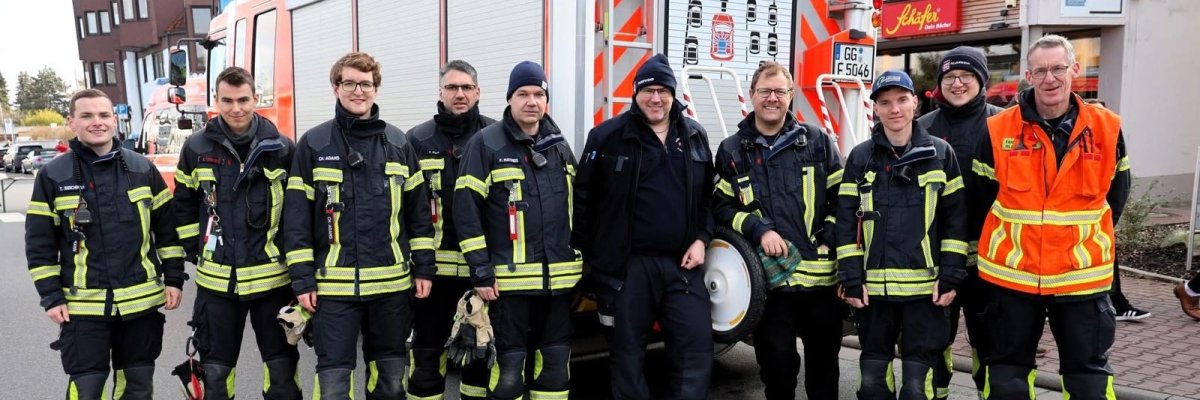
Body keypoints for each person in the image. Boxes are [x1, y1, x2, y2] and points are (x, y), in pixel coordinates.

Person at [972, 34, 1130, 399]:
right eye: (1040, 70)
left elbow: (1117, 196)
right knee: (1007, 376)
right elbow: (982, 199)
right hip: (1013, 276)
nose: (1050, 78)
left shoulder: (1107, 128)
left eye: (1058, 68)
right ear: (1028, 74)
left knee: (1088, 379)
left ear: (1074, 69)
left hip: (1081, 278)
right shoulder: (997, 130)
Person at [283, 52, 435, 399]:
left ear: (376, 90)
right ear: (336, 88)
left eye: (366, 84)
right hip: (333, 293)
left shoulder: (399, 144)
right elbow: (296, 222)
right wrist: (303, 279)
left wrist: (424, 269)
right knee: (334, 384)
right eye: (349, 83)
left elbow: (418, 217)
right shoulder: (314, 144)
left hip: (392, 290)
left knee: (390, 381)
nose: (358, 91)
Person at [25, 88, 186, 399]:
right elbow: (39, 245)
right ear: (72, 122)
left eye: (103, 115)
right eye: (86, 116)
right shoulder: (53, 175)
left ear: (115, 120)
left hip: (141, 306)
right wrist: (51, 296)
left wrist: (175, 278)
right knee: (87, 389)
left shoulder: (142, 169)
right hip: (82, 309)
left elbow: (167, 232)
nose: (96, 122)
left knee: (137, 388)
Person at [574, 53, 716, 400]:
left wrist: (701, 238)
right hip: (627, 267)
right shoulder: (608, 137)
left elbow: (707, 201)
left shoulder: (694, 136)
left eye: (663, 90)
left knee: (695, 348)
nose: (656, 98)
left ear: (673, 94)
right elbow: (582, 200)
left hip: (680, 264)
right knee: (627, 355)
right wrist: (589, 261)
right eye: (648, 90)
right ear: (635, 95)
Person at [711, 60, 844, 400]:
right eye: (765, 91)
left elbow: (843, 200)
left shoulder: (817, 142)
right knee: (777, 371)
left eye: (780, 92)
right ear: (752, 95)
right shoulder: (731, 150)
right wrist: (759, 230)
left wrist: (826, 239)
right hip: (771, 286)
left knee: (824, 372)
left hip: (819, 283)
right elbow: (722, 207)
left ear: (791, 96)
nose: (772, 98)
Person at [836, 70, 968, 400]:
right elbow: (845, 222)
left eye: (901, 100)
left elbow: (955, 220)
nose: (894, 109)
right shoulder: (861, 158)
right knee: (873, 382)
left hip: (926, 293)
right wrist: (852, 279)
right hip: (874, 295)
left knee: (917, 385)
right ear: (876, 110)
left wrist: (951, 275)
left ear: (914, 104)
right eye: (885, 102)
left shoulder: (940, 154)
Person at [171, 66, 300, 399]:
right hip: (218, 285)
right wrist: (195, 250)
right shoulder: (196, 148)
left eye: (243, 99)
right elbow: (183, 206)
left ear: (256, 98)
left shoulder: (282, 148)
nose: (236, 108)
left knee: (282, 374)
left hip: (273, 281)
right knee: (215, 375)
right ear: (216, 101)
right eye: (227, 100)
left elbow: (297, 212)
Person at [453, 61, 579, 400]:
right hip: (506, 290)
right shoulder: (486, 145)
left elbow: (575, 210)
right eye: (523, 93)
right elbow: (465, 212)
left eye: (539, 94)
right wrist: (481, 270)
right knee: (508, 373)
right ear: (509, 99)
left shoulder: (558, 146)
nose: (531, 101)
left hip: (556, 287)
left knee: (553, 372)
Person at [916, 46, 1003, 398]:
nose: (957, 83)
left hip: (991, 258)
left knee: (991, 342)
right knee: (934, 341)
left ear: (982, 81)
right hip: (937, 259)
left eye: (966, 76)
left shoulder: (1002, 124)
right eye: (950, 77)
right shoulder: (921, 128)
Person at [406, 60, 496, 400]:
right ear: (440, 92)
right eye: (452, 87)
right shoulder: (416, 139)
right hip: (434, 275)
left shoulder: (495, 137)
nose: (460, 94)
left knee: (478, 357)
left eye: (466, 88)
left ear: (478, 92)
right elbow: (407, 210)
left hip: (482, 274)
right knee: (427, 356)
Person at [1083, 98, 1150, 322]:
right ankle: (1115, 303)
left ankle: (1117, 303)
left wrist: (1108, 220)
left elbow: (1121, 182)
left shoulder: (1110, 138)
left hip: (1097, 217)